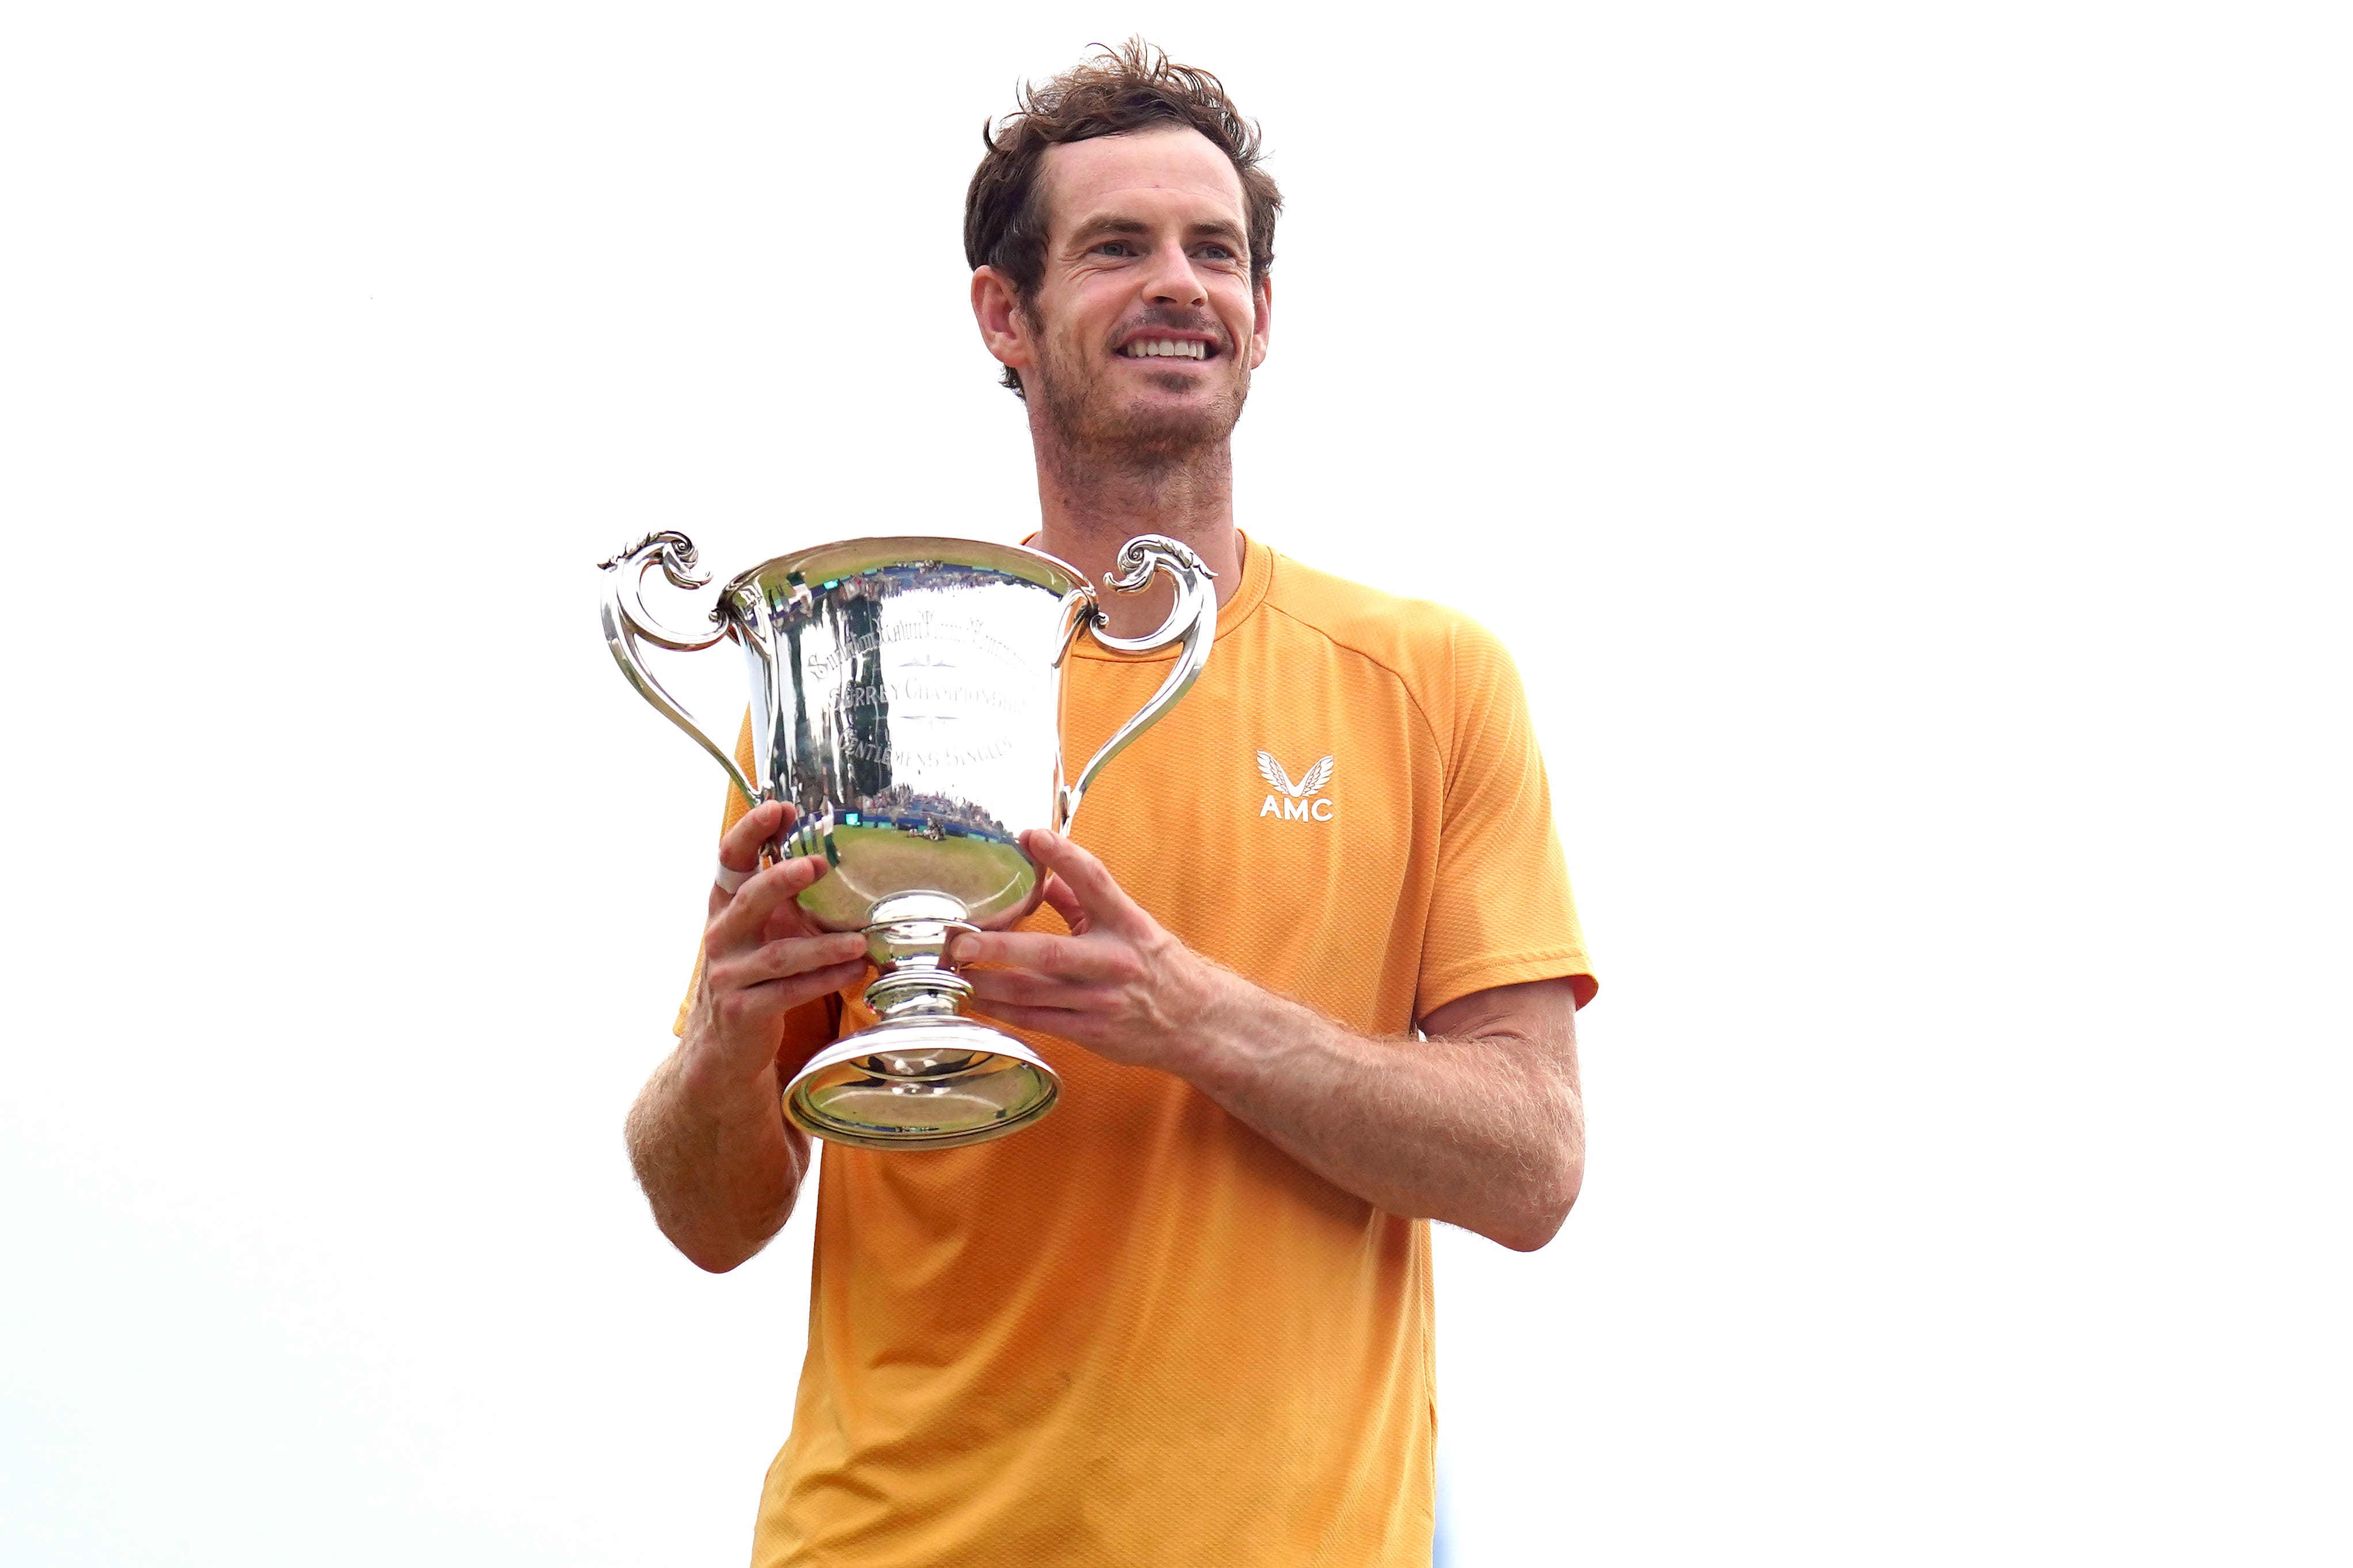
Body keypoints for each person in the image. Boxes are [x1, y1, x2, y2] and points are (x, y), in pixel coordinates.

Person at [625, 40, 1596, 1568]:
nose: (1179, 286)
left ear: (1266, 319)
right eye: (1117, 248)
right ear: (1003, 314)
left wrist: (1188, 1014)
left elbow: (1533, 1163)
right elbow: (712, 1215)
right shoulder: (860, 685)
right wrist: (736, 1034)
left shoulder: (1429, 677)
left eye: (1217, 252)